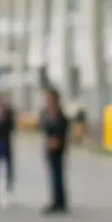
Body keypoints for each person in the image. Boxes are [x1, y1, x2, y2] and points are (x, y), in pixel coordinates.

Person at [41, 86, 70, 214]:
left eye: (50, 98)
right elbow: (44, 128)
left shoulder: (60, 114)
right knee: (53, 176)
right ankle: (55, 200)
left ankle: (61, 202)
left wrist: (57, 140)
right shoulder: (46, 113)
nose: (48, 101)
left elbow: (64, 127)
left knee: (59, 175)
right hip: (49, 148)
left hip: (58, 148)